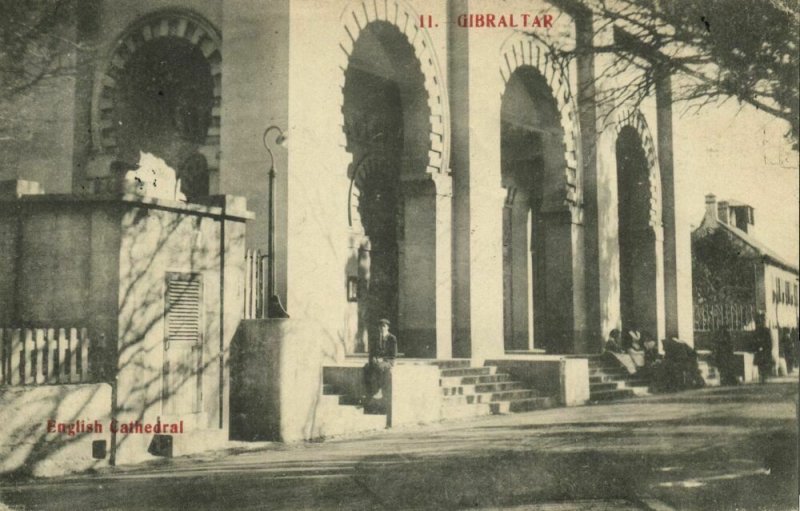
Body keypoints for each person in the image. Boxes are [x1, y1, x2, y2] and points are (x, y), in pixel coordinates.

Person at [363, 319, 398, 402]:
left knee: (380, 367)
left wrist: (382, 359)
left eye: (384, 326)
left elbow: (393, 355)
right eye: (380, 326)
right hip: (377, 361)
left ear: (388, 327)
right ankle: (369, 391)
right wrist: (373, 359)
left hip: (388, 361)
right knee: (367, 367)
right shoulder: (376, 338)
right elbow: (372, 352)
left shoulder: (392, 338)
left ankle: (379, 390)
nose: (382, 328)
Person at [752, 312, 773, 383]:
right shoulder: (757, 330)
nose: (762, 322)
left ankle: (764, 376)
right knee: (760, 364)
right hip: (759, 349)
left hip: (765, 349)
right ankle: (762, 376)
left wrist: (767, 348)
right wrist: (757, 347)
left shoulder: (766, 330)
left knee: (764, 363)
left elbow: (769, 341)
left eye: (763, 320)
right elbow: (755, 340)